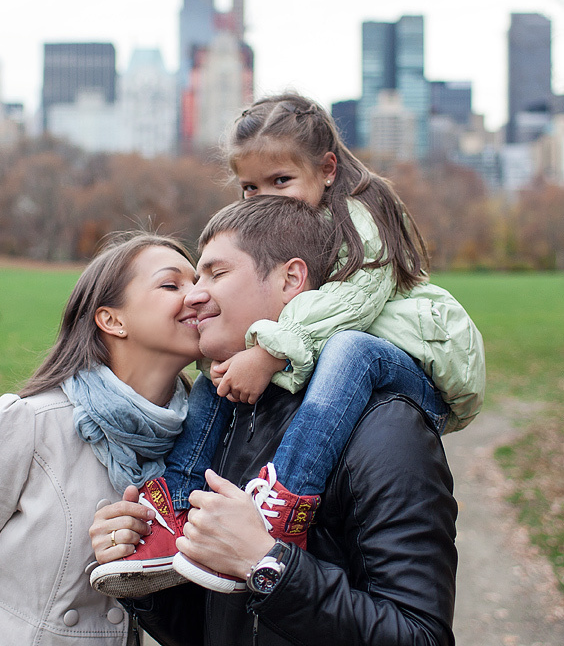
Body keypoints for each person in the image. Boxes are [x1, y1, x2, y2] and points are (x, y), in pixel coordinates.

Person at [92, 92, 483, 595]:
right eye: (251, 187)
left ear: (326, 169)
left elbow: (354, 303)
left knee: (348, 349)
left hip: (417, 364)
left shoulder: (361, 215)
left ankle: (283, 507)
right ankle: (176, 508)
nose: (268, 196)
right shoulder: (295, 221)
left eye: (281, 180)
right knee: (222, 367)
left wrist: (270, 350)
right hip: (345, 349)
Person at [91, 196, 457, 645]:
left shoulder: (384, 428)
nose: (194, 294)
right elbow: (205, 631)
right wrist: (143, 573)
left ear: (291, 279)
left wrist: (268, 565)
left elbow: (421, 636)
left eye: (217, 273)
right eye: (194, 275)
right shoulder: (225, 416)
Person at [0, 233, 203, 646]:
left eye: (200, 280)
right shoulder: (27, 424)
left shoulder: (206, 440)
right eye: (172, 284)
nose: (199, 295)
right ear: (112, 319)